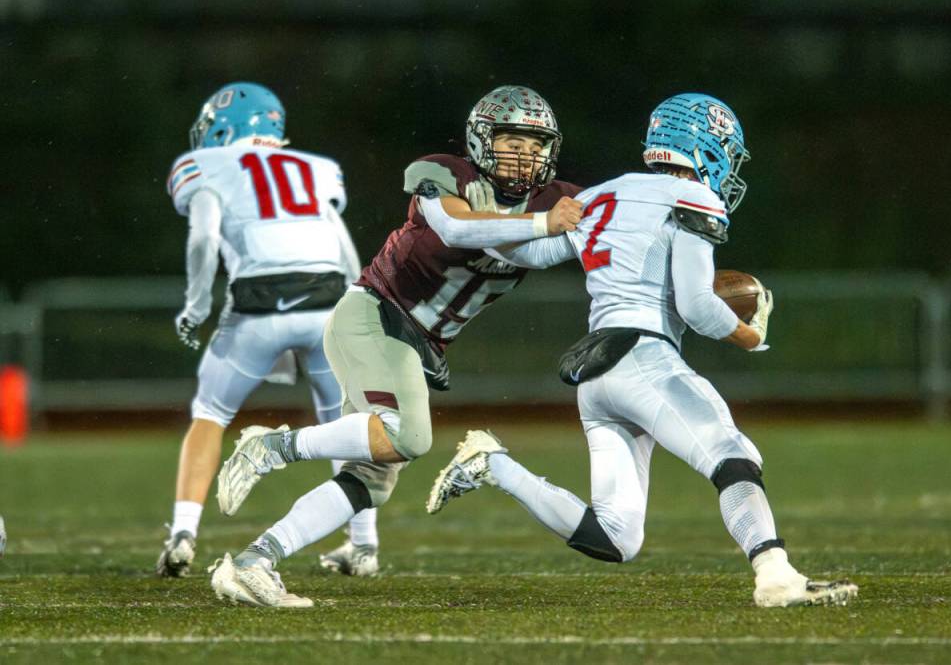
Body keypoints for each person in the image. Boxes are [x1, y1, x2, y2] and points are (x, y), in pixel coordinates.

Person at [425, 93, 859, 608]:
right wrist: (750, 335)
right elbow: (697, 305)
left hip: (596, 375)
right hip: (642, 356)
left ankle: (492, 465)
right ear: (706, 146)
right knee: (732, 454)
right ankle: (777, 576)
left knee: (615, 537)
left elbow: (535, 252)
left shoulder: (603, 194)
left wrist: (476, 226)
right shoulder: (694, 198)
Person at [209, 85, 584, 607]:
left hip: (421, 341)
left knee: (370, 483)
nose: (525, 154)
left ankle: (254, 561)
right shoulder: (445, 175)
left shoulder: (555, 199)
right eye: (511, 140)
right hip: (376, 313)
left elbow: (567, 246)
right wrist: (545, 223)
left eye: (536, 143)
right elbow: (457, 227)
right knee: (410, 436)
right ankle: (273, 448)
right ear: (481, 140)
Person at [156, 82, 366, 578]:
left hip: (258, 305)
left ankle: (184, 533)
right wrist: (360, 306)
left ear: (226, 125)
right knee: (344, 423)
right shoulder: (316, 167)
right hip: (329, 303)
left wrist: (195, 303)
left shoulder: (207, 167)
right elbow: (345, 247)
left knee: (209, 413)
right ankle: (364, 543)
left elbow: (204, 237)